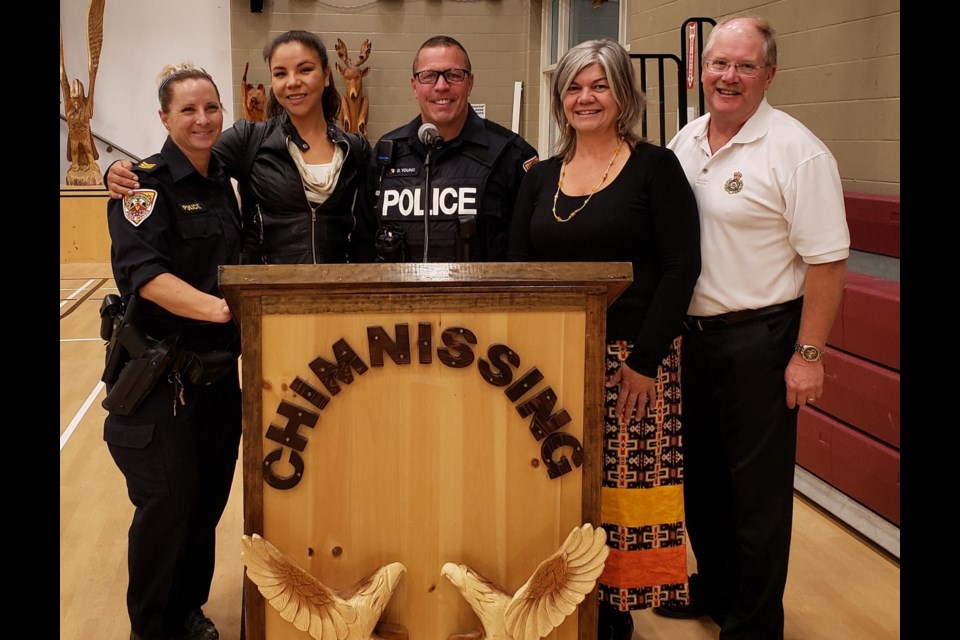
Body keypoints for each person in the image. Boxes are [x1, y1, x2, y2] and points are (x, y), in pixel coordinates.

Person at [661, 16, 850, 639]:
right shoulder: (686, 140)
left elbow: (826, 262)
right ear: (701, 69)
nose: (729, 76)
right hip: (695, 338)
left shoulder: (798, 151)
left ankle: (755, 623)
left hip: (763, 343)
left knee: (757, 498)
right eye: (719, 63)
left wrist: (809, 354)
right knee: (705, 482)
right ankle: (714, 589)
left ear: (769, 73)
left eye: (745, 65)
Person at [508, 39, 701, 640]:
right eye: (573, 87)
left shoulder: (654, 167)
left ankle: (615, 616)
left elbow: (681, 267)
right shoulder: (539, 176)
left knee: (621, 494)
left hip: (633, 360)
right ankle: (556, 607)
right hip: (550, 361)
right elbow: (515, 268)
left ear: (623, 95)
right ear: (559, 98)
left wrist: (645, 361)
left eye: (599, 85)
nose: (585, 98)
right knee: (552, 484)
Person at [103, 64, 242, 640]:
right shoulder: (143, 185)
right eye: (188, 110)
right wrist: (222, 310)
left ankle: (188, 610)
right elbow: (144, 275)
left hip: (217, 381)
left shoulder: (226, 182)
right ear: (164, 118)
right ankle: (152, 629)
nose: (202, 119)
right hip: (163, 381)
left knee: (207, 504)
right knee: (165, 510)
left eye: (211, 108)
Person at [108, 31, 372, 264]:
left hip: (337, 290)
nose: (292, 82)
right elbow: (182, 163)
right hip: (267, 292)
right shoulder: (249, 140)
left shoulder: (355, 149)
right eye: (280, 73)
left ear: (326, 75)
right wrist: (120, 170)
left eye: (304, 70)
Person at [367, 35, 539, 262]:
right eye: (428, 76)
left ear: (470, 83)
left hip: (482, 296)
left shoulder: (511, 154)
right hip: (401, 297)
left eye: (454, 75)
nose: (441, 86)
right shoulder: (387, 153)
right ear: (414, 86)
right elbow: (365, 242)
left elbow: (526, 252)